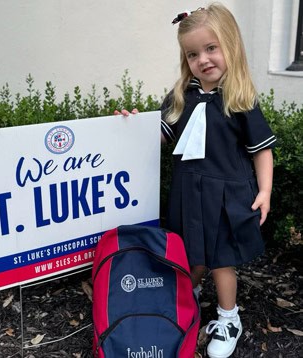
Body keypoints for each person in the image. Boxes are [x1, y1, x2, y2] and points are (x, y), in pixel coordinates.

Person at [116, 3, 276, 358]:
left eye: (211, 48)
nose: (202, 59)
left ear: (230, 46)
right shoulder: (179, 98)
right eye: (192, 54)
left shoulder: (240, 101)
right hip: (188, 193)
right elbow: (156, 135)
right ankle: (188, 295)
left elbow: (262, 151)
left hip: (225, 195)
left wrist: (265, 190)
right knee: (189, 251)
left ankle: (228, 317)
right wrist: (132, 125)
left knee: (220, 259)